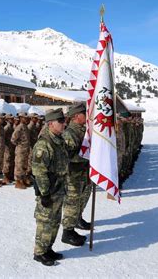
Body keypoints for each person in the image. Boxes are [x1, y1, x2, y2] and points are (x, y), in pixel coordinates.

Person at [31, 108, 69, 266]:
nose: (63, 124)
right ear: (51, 124)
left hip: (59, 188)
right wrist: (45, 194)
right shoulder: (44, 143)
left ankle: (48, 248)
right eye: (60, 122)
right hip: (49, 190)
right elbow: (39, 172)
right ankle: (39, 252)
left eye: (63, 121)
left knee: (54, 221)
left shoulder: (58, 140)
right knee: (45, 222)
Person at [61, 103, 91, 247]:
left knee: (83, 197)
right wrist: (87, 156)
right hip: (73, 175)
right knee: (72, 203)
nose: (87, 117)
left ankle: (77, 219)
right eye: (84, 114)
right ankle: (68, 231)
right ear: (76, 116)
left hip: (84, 173)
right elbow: (67, 156)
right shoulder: (70, 134)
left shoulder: (84, 131)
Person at [11, 112, 31, 189]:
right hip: (20, 150)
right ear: (21, 118)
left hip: (26, 150)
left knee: (24, 165)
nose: (26, 119)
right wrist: (19, 145)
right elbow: (13, 139)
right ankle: (18, 182)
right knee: (19, 165)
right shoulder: (19, 127)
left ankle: (22, 180)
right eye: (24, 118)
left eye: (26, 118)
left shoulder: (25, 127)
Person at [2, 114, 15, 183]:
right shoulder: (6, 127)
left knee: (10, 161)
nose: (12, 119)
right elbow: (2, 137)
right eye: (10, 118)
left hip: (10, 146)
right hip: (6, 147)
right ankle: (5, 176)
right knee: (6, 161)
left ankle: (9, 175)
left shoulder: (11, 126)